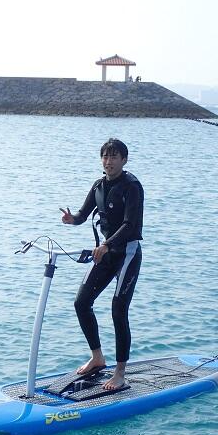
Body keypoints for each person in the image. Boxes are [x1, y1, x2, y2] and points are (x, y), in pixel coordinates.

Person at [60, 138, 143, 391]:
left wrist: (107, 245)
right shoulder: (98, 185)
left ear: (124, 160)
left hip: (127, 253)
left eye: (114, 157)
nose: (108, 161)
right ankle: (97, 357)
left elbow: (131, 226)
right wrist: (71, 219)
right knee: (81, 302)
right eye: (105, 157)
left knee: (118, 309)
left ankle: (120, 373)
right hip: (106, 253)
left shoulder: (132, 187)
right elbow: (83, 215)